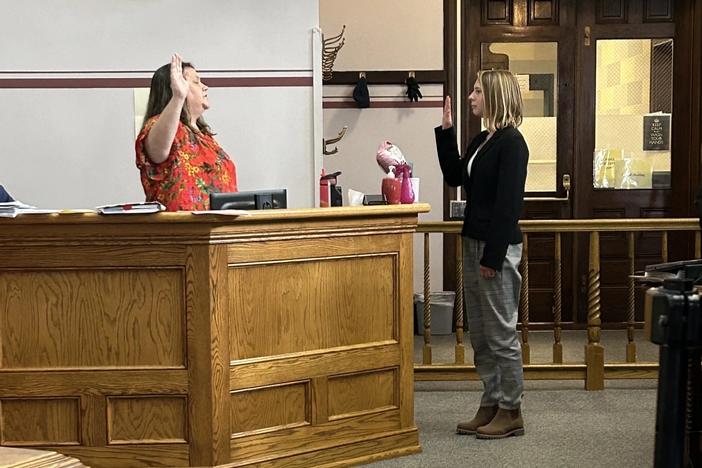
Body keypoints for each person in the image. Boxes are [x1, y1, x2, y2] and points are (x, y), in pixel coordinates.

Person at [435, 69, 529, 439]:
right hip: (473, 242)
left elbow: (508, 206)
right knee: (480, 333)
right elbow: (456, 176)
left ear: (494, 96)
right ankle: (490, 401)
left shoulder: (513, 143)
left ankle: (511, 409)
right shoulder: (481, 141)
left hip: (497, 248)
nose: (471, 97)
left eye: (477, 91)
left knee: (501, 333)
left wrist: (492, 258)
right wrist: (446, 132)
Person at [136, 54, 237, 211]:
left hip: (218, 230)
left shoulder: (204, 135)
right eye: (196, 82)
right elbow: (157, 152)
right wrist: (178, 97)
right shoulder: (158, 125)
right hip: (180, 231)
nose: (205, 87)